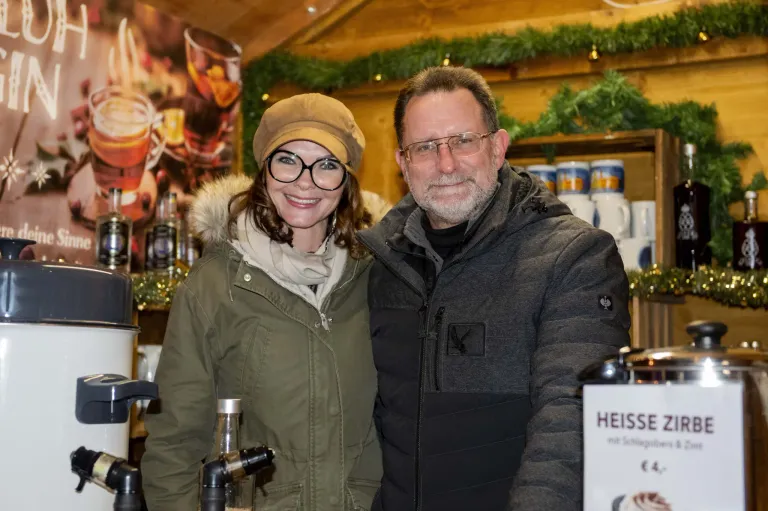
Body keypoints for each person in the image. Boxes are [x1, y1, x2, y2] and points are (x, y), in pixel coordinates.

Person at [356, 66, 631, 511]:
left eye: (464, 141)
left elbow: (571, 422)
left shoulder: (573, 256)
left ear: (498, 147)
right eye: (425, 147)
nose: (446, 164)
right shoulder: (383, 265)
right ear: (403, 163)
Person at [141, 93, 383, 511]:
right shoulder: (215, 285)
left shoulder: (378, 279)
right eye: (288, 160)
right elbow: (173, 443)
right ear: (264, 171)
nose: (305, 181)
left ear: (346, 182)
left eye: (327, 165)